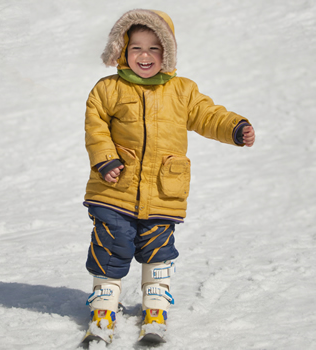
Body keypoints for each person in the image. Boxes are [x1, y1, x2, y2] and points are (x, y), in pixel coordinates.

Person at [83, 8, 255, 336]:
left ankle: (155, 309)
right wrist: (105, 159)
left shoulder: (182, 91)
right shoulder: (108, 89)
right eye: (136, 48)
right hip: (114, 189)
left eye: (154, 48)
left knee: (159, 250)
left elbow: (209, 115)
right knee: (111, 245)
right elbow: (96, 126)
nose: (144, 56)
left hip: (165, 192)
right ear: (122, 49)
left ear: (168, 52)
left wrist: (235, 127)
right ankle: (103, 309)